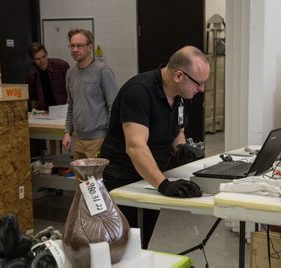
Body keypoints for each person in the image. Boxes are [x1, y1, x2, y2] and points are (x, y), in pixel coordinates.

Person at [99, 45, 209, 248]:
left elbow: (178, 131)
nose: (202, 89)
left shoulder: (183, 97)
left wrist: (181, 149)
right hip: (122, 179)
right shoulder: (139, 92)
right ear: (178, 76)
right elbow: (135, 146)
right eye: (199, 83)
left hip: (150, 177)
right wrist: (164, 184)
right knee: (121, 246)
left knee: (142, 242)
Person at [62, 28, 118, 159]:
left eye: (79, 45)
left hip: (99, 139)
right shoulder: (70, 73)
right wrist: (67, 132)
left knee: (98, 179)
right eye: (72, 45)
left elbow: (114, 106)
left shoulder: (102, 71)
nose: (75, 49)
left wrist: (110, 137)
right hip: (78, 139)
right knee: (81, 179)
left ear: (90, 47)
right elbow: (71, 106)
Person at [26, 42, 70, 111]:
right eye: (37, 59)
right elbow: (33, 98)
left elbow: (73, 89)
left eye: (44, 57)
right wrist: (35, 114)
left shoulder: (61, 66)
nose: (42, 61)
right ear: (33, 60)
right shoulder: (32, 74)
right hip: (45, 111)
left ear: (46, 54)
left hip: (64, 108)